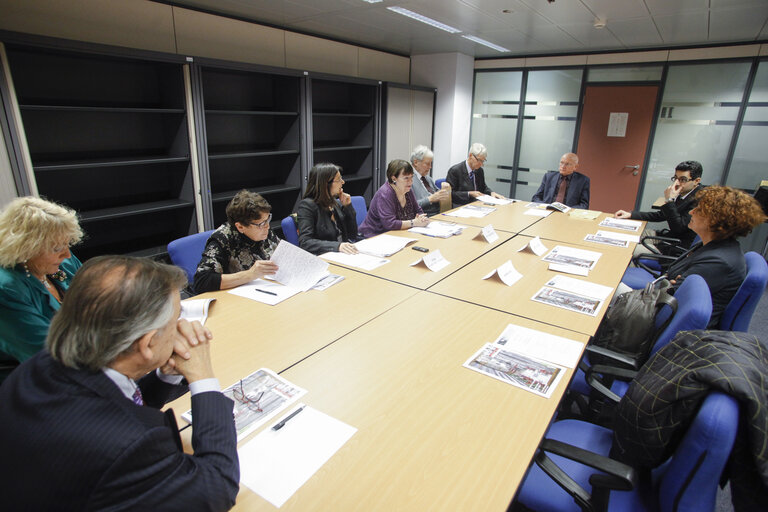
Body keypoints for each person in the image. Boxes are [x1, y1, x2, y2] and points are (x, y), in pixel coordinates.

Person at [0, 255, 239, 510]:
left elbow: (119, 405)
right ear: (147, 344)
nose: (181, 328)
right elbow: (216, 487)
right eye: (174, 322)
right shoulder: (130, 447)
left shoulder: (41, 365)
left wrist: (165, 374)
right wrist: (202, 376)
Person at [0, 196, 83, 382]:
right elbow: (47, 354)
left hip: (82, 364)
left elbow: (102, 302)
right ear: (24, 248)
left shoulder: (63, 263)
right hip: (30, 384)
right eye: (57, 248)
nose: (67, 254)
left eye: (67, 244)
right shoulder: (6, 289)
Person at [663, 186, 765, 327]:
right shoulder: (713, 245)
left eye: (698, 210)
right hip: (666, 311)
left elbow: (669, 298)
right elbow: (672, 282)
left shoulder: (719, 262)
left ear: (715, 220)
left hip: (672, 327)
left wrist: (672, 282)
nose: (691, 212)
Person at [194, 189, 280, 294]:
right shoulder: (222, 240)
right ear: (240, 226)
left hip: (269, 289)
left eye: (268, 219)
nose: (267, 226)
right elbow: (202, 281)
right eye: (262, 223)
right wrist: (250, 274)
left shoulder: (264, 229)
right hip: (237, 298)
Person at [614, 160, 704, 253]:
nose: (676, 183)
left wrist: (670, 200)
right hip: (667, 238)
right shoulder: (685, 192)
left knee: (626, 250)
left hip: (674, 247)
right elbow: (662, 215)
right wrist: (631, 215)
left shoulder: (699, 200)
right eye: (675, 178)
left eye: (683, 179)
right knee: (624, 235)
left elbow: (678, 228)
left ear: (696, 181)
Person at [297, 162, 359, 255]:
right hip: (325, 256)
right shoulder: (307, 206)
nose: (343, 182)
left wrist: (348, 207)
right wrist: (337, 246)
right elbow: (305, 242)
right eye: (338, 180)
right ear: (325, 184)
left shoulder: (334, 203)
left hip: (344, 254)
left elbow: (352, 234)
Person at [359, 159, 429, 238]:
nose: (410, 182)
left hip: (398, 234)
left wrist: (421, 218)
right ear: (394, 178)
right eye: (406, 178)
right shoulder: (385, 194)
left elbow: (418, 210)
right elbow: (390, 224)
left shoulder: (408, 190)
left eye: (411, 177)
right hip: (374, 236)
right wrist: (414, 223)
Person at [410, 145, 448, 216]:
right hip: (423, 217)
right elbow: (409, 206)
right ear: (415, 162)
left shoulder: (427, 178)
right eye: (427, 163)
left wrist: (444, 191)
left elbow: (436, 192)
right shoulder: (408, 180)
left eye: (431, 163)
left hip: (437, 214)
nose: (430, 167)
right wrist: (430, 199)